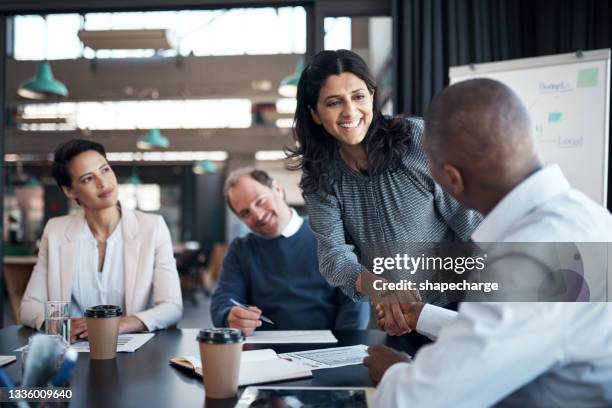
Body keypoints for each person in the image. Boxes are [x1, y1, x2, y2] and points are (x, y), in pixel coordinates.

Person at [364, 78, 612, 407]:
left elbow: (422, 400)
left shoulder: (528, 258)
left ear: (453, 178)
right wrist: (422, 314)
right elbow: (524, 329)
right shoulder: (585, 215)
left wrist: (394, 371)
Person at [287, 49, 482, 335]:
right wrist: (379, 288)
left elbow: (474, 223)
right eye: (333, 102)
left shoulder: (418, 139)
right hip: (394, 319)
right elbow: (334, 257)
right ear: (315, 114)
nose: (350, 112)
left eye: (358, 96)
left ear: (373, 96)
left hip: (460, 308)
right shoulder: (320, 172)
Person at [20, 139, 183, 342]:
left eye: (105, 170)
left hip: (134, 352)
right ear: (69, 191)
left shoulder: (153, 227)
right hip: (73, 349)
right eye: (88, 178)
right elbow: (29, 306)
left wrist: (117, 325)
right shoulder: (56, 230)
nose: (103, 182)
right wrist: (60, 325)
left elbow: (172, 306)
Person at [210, 167, 369, 335]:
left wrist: (344, 347)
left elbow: (355, 303)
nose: (257, 215)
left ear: (277, 189)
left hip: (327, 349)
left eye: (259, 201)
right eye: (245, 213)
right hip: (264, 353)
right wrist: (229, 315)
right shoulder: (241, 249)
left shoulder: (330, 234)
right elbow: (224, 299)